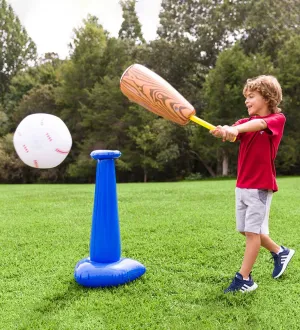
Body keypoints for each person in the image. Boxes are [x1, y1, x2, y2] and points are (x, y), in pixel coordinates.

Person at [210, 75, 295, 293]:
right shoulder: (244, 124)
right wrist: (224, 130)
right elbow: (234, 132)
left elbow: (258, 124)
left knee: (251, 233)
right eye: (246, 97)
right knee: (245, 230)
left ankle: (244, 279)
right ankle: (279, 251)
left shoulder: (277, 119)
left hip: (260, 186)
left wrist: (236, 129)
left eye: (251, 96)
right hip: (242, 185)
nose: (246, 101)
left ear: (267, 98)